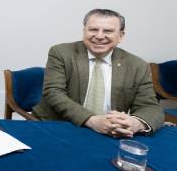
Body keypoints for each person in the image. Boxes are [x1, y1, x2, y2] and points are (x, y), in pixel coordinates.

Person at [33, 9, 164, 136]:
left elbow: (150, 106)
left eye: (108, 31)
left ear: (120, 36)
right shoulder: (61, 53)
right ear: (84, 31)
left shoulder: (137, 65)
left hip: (108, 132)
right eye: (93, 30)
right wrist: (91, 120)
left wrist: (135, 124)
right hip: (59, 126)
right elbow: (54, 92)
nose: (99, 36)